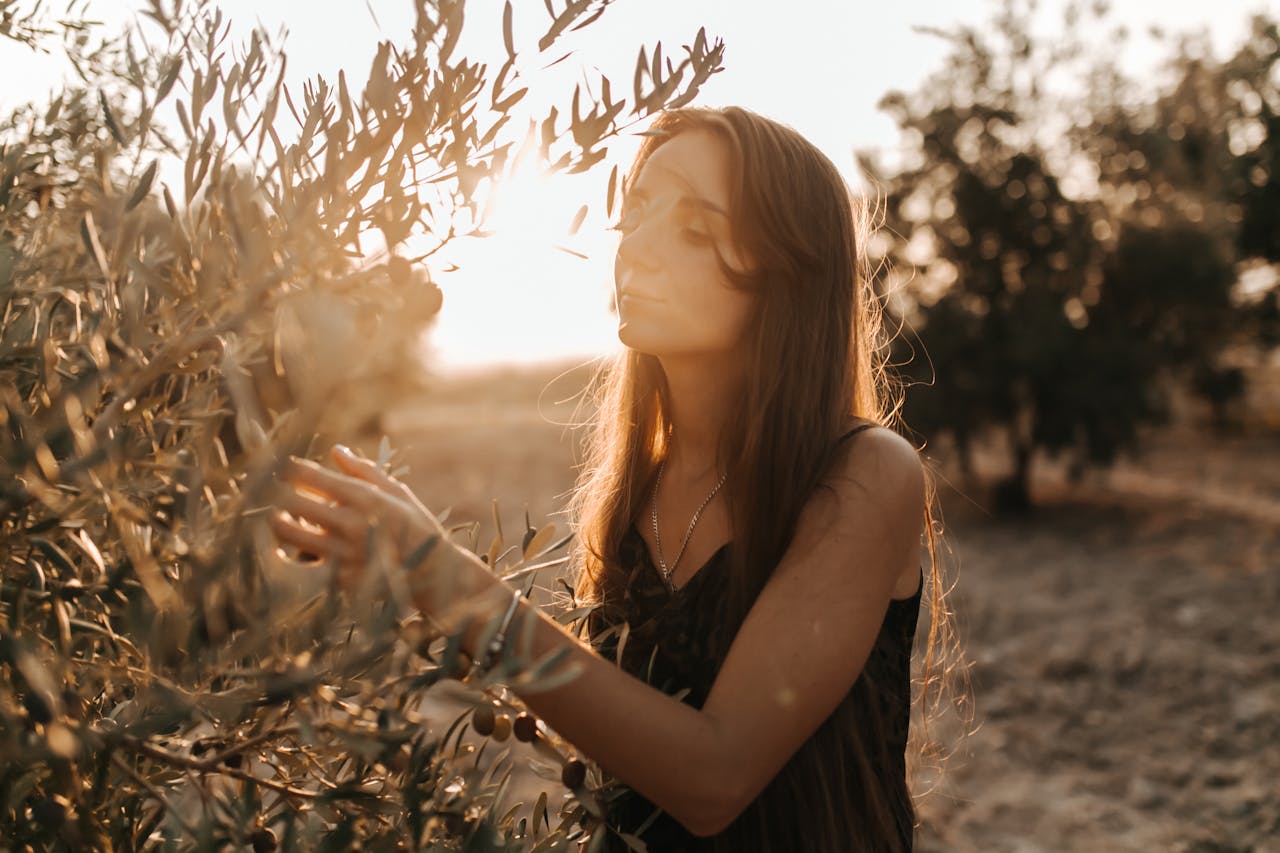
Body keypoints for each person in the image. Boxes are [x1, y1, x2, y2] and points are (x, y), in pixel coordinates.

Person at [271, 106, 958, 852]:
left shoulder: (864, 474)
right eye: (634, 216)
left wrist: (447, 581)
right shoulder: (638, 492)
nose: (638, 248)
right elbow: (628, 750)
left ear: (787, 270)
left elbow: (715, 777)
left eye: (694, 228)